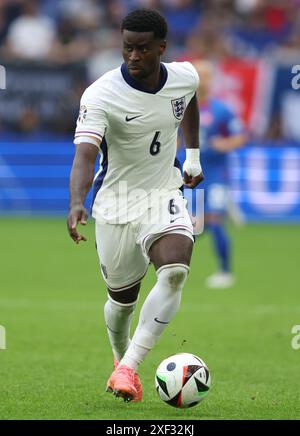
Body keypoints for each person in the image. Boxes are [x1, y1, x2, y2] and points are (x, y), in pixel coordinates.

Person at [67, 8, 204, 403]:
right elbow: (84, 156)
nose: (134, 56)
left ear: (161, 47)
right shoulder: (101, 95)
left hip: (163, 194)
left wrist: (191, 155)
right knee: (121, 302)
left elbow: (189, 97)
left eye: (143, 49)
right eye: (128, 48)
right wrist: (77, 202)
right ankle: (119, 354)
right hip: (115, 205)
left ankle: (130, 367)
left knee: (176, 269)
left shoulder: (184, 76)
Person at [189, 60, 247, 289]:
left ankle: (225, 272)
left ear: (211, 80)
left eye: (205, 75)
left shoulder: (220, 110)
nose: (201, 80)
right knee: (194, 225)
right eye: (197, 75)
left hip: (218, 174)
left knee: (213, 221)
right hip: (194, 175)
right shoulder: (184, 108)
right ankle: (174, 265)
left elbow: (240, 136)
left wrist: (224, 144)